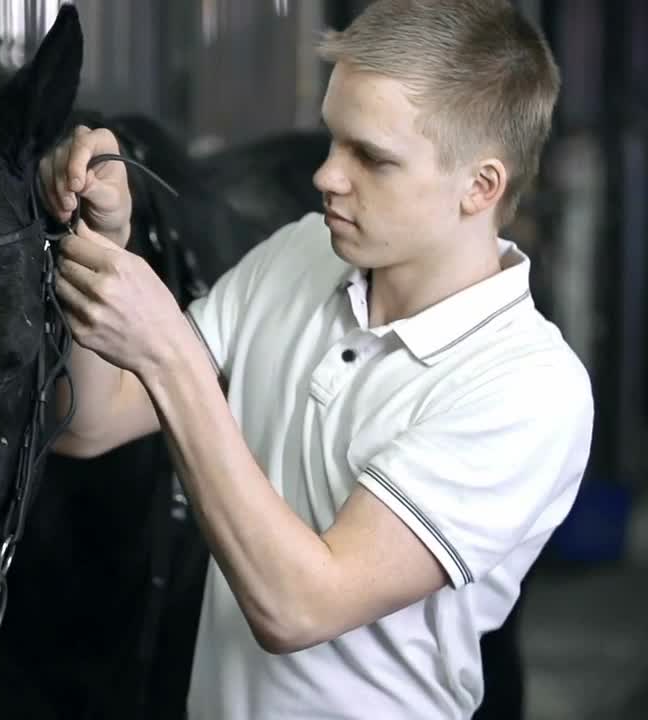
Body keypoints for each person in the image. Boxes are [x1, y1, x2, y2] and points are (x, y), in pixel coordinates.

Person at [37, 1, 594, 718]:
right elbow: (90, 424)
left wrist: (172, 356)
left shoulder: (527, 388)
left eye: (372, 157)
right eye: (334, 140)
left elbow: (298, 608)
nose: (327, 176)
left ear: (480, 187)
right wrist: (103, 245)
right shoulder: (300, 254)